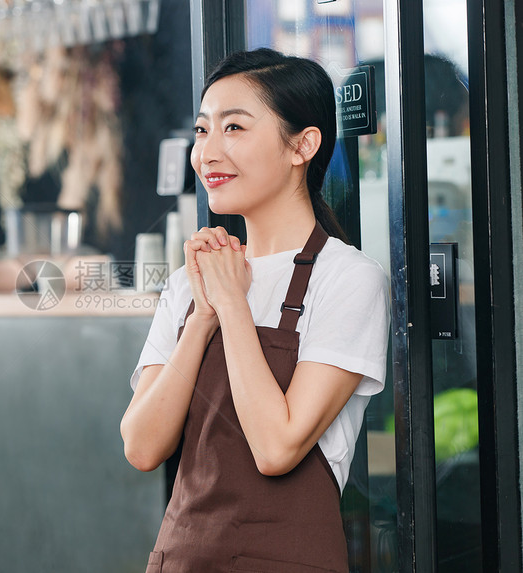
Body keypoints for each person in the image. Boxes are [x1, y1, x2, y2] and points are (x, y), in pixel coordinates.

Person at [120, 48, 390, 573]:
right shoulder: (189, 284)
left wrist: (230, 306)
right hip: (182, 560)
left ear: (302, 145)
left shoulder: (349, 279)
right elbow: (142, 445)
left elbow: (277, 446)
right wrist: (200, 319)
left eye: (234, 128)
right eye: (202, 131)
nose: (208, 153)